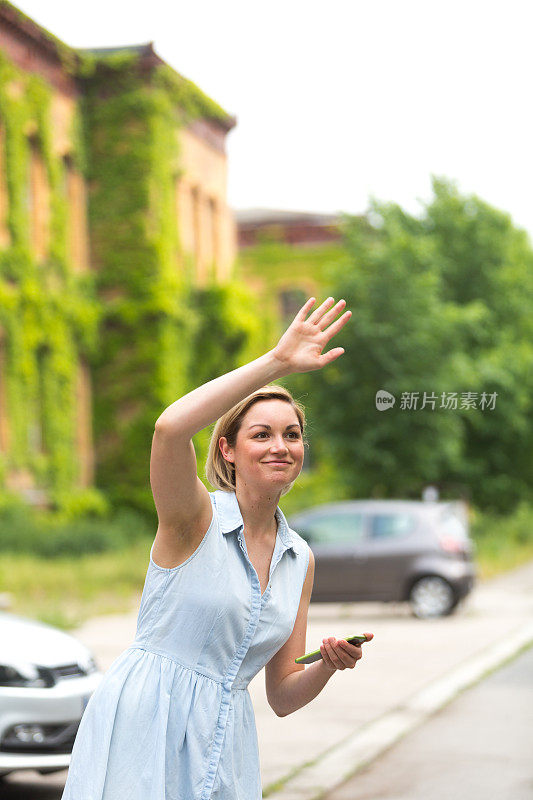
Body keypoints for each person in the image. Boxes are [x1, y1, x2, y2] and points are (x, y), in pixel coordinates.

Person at [60, 295, 373, 800]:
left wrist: (327, 665)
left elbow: (283, 695)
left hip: (227, 739)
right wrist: (278, 361)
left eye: (292, 435)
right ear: (227, 448)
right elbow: (169, 428)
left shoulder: (299, 559)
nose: (280, 446)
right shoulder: (193, 519)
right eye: (261, 434)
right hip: (148, 723)